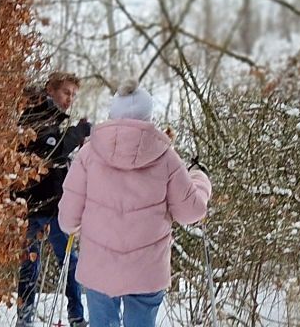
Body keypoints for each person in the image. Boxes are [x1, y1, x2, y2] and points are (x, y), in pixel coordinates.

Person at [58, 85, 212, 327]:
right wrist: (200, 179)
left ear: (112, 113)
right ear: (148, 117)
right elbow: (191, 211)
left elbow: (67, 219)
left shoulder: (89, 153)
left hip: (100, 268)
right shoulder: (166, 156)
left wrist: (78, 227)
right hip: (147, 269)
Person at [15, 72, 92, 327]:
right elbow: (52, 149)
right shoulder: (35, 114)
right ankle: (30, 318)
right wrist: (78, 132)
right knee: (34, 266)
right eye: (66, 92)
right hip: (35, 206)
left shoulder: (50, 118)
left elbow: (56, 155)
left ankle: (75, 315)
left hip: (51, 203)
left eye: (73, 95)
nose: (69, 99)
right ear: (51, 89)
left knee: (68, 262)